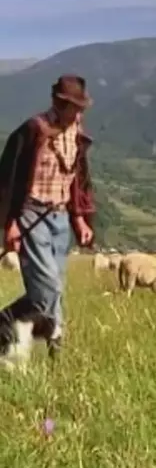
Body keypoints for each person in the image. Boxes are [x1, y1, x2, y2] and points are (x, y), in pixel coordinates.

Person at [0, 75, 95, 369]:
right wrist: (9, 224)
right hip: (31, 213)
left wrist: (79, 218)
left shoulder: (76, 132)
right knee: (46, 291)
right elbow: (8, 180)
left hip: (60, 217)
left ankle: (56, 354)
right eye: (74, 108)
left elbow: (78, 178)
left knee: (56, 289)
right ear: (59, 103)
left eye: (81, 109)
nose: (79, 114)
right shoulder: (32, 131)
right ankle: (4, 323)